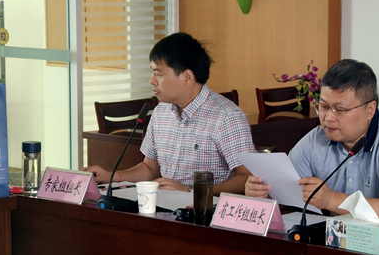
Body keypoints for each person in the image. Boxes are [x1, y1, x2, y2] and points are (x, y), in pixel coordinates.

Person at [245, 59, 379, 228]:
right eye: (323, 106)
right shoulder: (317, 139)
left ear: (370, 110)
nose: (328, 118)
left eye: (340, 110)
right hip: (352, 243)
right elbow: (286, 190)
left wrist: (331, 199)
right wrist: (264, 194)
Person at [85, 33, 254, 194]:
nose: (152, 81)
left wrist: (191, 193)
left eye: (158, 74)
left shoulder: (227, 117)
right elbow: (150, 168)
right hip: (163, 206)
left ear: (187, 77)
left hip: (205, 211)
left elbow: (246, 177)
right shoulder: (161, 112)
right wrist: (111, 176)